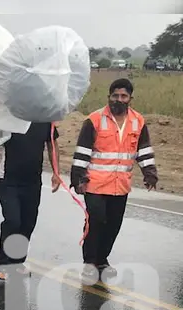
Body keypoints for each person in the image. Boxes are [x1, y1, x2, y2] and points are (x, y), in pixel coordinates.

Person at [70, 78, 158, 282]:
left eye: (124, 96)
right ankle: (90, 261)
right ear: (108, 97)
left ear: (130, 99)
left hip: (121, 186)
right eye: (115, 96)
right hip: (95, 183)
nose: (119, 99)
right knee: (97, 220)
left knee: (113, 225)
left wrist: (149, 173)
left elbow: (143, 150)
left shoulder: (138, 121)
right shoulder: (94, 120)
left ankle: (102, 259)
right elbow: (82, 151)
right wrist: (78, 178)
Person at [0, 123, 62, 282]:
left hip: (33, 183)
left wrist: (56, 172)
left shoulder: (44, 121)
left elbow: (52, 146)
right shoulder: (8, 120)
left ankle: (17, 262)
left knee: (28, 224)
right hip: (9, 182)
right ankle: (3, 264)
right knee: (13, 221)